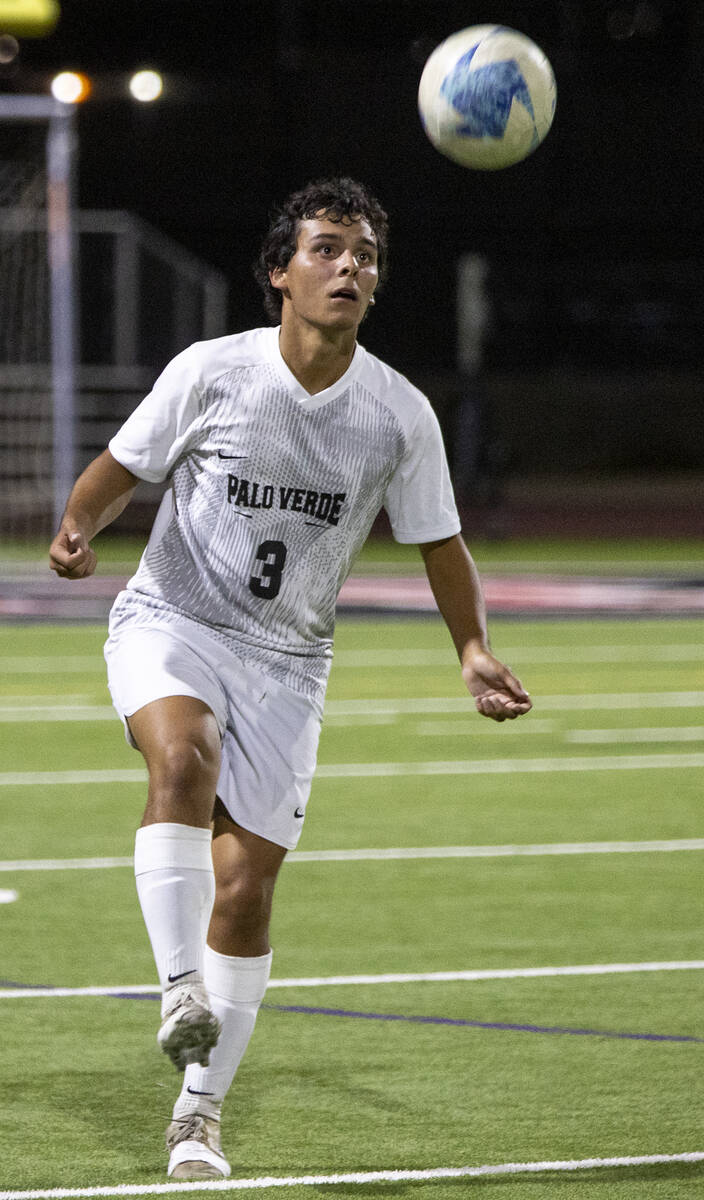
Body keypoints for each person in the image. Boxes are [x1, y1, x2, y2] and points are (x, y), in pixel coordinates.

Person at [49, 177, 532, 1181]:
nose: (348, 266)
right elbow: (120, 466)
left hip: (289, 663)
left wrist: (470, 648)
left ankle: (197, 1116)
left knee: (248, 889)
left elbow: (439, 544)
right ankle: (179, 985)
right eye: (326, 248)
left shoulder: (395, 414)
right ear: (279, 272)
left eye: (363, 254)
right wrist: (77, 528)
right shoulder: (212, 373)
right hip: (172, 621)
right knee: (182, 757)